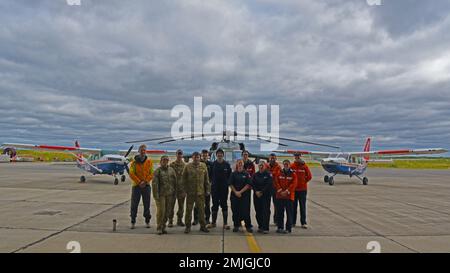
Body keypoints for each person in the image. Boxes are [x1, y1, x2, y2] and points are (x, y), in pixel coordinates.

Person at [182, 152, 211, 233]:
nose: (196, 158)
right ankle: (188, 227)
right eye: (195, 157)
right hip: (190, 193)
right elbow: (183, 179)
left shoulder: (203, 166)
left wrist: (208, 190)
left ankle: (203, 226)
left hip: (200, 192)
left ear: (199, 158)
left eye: (198, 157)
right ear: (192, 158)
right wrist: (184, 190)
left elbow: (206, 180)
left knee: (201, 210)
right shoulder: (187, 166)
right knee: (188, 210)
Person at [128, 144, 154, 229]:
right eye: (141, 150)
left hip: (146, 186)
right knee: (134, 204)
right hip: (136, 186)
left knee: (147, 204)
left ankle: (147, 221)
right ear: (139, 151)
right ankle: (133, 221)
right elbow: (131, 173)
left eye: (144, 150)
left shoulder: (149, 162)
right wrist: (139, 182)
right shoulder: (134, 163)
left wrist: (145, 181)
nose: (143, 152)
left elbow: (152, 173)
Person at [207, 148, 232, 230]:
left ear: (223, 155)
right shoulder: (213, 164)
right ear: (216, 155)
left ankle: (225, 223)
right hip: (214, 189)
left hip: (224, 189)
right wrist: (211, 184)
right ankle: (213, 223)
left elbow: (229, 176)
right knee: (214, 205)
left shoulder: (227, 165)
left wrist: (227, 184)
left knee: (224, 205)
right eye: (218, 154)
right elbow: (209, 176)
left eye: (221, 154)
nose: (220, 155)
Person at [152, 156, 177, 235]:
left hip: (170, 194)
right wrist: (156, 196)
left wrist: (175, 193)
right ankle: (159, 227)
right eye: (163, 160)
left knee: (167, 211)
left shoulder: (171, 170)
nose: (165, 162)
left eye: (166, 160)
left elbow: (175, 182)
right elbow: (154, 184)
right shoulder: (157, 171)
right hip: (161, 195)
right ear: (160, 161)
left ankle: (163, 226)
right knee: (161, 211)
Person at [229, 159, 253, 233]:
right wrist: (236, 192)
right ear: (237, 164)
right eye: (238, 163)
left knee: (245, 211)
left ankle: (248, 226)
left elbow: (248, 185)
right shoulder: (233, 174)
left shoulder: (246, 174)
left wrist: (240, 192)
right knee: (235, 211)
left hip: (244, 196)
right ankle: (236, 225)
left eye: (241, 163)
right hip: (234, 195)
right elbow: (230, 184)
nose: (240, 164)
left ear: (243, 164)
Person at [274, 159, 297, 234]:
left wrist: (287, 191)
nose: (286, 165)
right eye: (285, 164)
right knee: (279, 213)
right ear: (283, 165)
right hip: (280, 196)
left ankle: (288, 228)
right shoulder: (279, 173)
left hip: (289, 197)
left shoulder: (293, 174)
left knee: (289, 213)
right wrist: (280, 191)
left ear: (289, 165)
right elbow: (276, 182)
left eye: (287, 164)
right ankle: (280, 227)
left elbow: (294, 184)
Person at [291, 153, 312, 229]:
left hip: (302, 190)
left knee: (302, 206)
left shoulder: (304, 166)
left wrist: (303, 182)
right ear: (294, 157)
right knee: (293, 206)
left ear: (300, 157)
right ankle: (293, 222)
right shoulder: (292, 166)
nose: (297, 158)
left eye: (298, 156)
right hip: (294, 190)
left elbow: (309, 176)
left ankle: (303, 222)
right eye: (296, 156)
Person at [252, 161, 273, 234]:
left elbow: (269, 184)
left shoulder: (268, 174)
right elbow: (253, 184)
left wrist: (261, 192)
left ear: (265, 166)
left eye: (262, 165)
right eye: (260, 165)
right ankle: (260, 226)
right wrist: (256, 191)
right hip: (257, 195)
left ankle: (265, 227)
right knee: (258, 211)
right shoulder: (255, 175)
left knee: (265, 211)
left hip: (265, 195)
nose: (261, 167)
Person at [193, 149, 213, 225]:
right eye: (203, 155)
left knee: (207, 204)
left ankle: (207, 219)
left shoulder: (211, 164)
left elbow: (212, 175)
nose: (204, 156)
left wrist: (210, 184)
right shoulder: (198, 163)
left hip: (207, 186)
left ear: (208, 156)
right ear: (201, 156)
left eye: (206, 155)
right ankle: (196, 219)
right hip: (198, 187)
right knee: (197, 204)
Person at [169, 149, 187, 227]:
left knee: (181, 207)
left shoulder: (185, 166)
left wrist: (186, 189)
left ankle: (179, 220)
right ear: (176, 155)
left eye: (181, 154)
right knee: (170, 206)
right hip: (173, 189)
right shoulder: (172, 165)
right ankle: (170, 221)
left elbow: (187, 178)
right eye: (178, 154)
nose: (179, 156)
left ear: (182, 155)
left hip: (182, 189)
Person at [268, 153, 282, 225]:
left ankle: (276, 220)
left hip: (275, 188)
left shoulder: (278, 167)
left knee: (276, 205)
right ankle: (266, 219)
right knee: (266, 205)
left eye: (273, 158)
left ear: (276, 159)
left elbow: (277, 177)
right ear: (269, 158)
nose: (272, 159)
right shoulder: (266, 166)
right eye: (271, 158)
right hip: (267, 188)